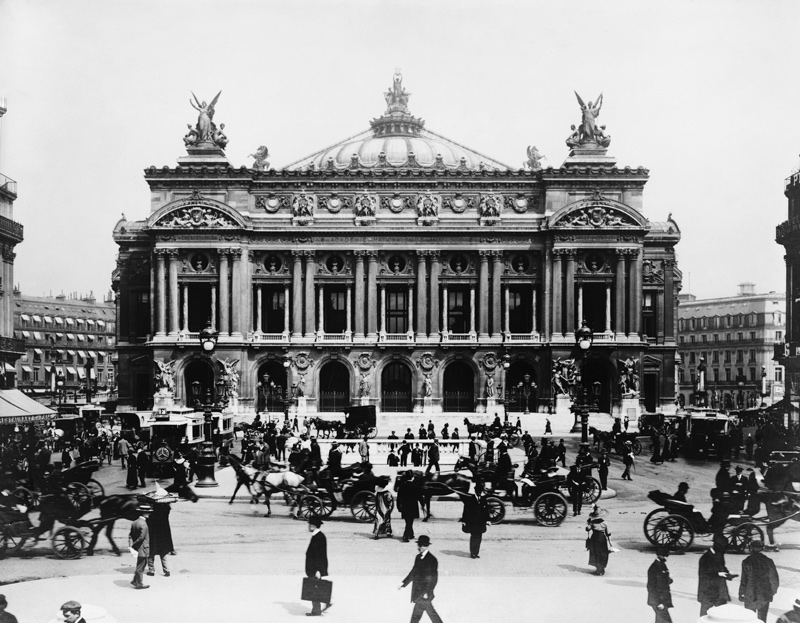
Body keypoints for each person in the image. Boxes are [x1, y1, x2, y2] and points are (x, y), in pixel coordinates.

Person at [399, 535, 443, 623]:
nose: (419, 547)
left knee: (424, 614)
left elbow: (433, 578)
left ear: (426, 546)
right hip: (419, 591)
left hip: (424, 592)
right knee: (423, 613)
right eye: (419, 545)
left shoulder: (432, 560)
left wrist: (427, 591)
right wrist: (403, 584)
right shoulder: (418, 557)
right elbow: (413, 572)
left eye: (422, 545)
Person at [738, 540, 779, 621]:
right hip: (764, 594)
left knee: (749, 619)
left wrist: (741, 593)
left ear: (751, 548)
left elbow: (744, 580)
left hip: (750, 594)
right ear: (762, 548)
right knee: (762, 619)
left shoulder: (746, 561)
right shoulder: (769, 561)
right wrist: (771, 592)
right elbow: (774, 579)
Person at [698, 534, 733, 616]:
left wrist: (728, 573)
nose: (724, 549)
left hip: (719, 591)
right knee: (705, 616)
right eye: (723, 547)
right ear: (717, 546)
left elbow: (722, 567)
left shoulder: (719, 555)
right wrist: (718, 574)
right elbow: (704, 574)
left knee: (722, 616)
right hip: (708, 592)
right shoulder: (705, 558)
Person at [304, 516, 330, 616]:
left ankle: (316, 611)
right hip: (313, 568)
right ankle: (324, 603)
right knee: (315, 587)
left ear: (313, 526)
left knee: (314, 588)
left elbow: (320, 555)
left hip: (315, 568)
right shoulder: (317, 536)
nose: (308, 526)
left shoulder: (319, 537)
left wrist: (318, 570)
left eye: (309, 524)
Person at [459, 481, 489, 559]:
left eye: (480, 491)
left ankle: (476, 553)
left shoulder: (483, 499)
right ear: (475, 490)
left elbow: (486, 511)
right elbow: (466, 510)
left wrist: (488, 520)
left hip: (481, 522)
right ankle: (472, 553)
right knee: (474, 537)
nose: (479, 492)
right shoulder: (470, 499)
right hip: (473, 522)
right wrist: (464, 520)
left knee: (479, 538)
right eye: (478, 490)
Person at [146, 495, 174, 577]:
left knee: (151, 553)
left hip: (153, 535)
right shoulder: (166, 511)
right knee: (163, 554)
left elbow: (148, 521)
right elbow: (168, 507)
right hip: (163, 536)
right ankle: (167, 570)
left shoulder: (152, 512)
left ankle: (151, 570)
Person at [128, 503, 152, 589]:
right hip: (143, 548)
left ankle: (135, 581)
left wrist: (131, 545)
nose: (149, 514)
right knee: (141, 566)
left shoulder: (134, 522)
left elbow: (130, 535)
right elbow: (142, 537)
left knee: (139, 564)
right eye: (148, 513)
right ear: (144, 513)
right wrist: (135, 544)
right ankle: (139, 584)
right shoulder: (144, 524)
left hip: (138, 548)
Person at [647, 549, 674, 623]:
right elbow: (651, 587)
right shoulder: (654, 567)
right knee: (666, 620)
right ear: (659, 555)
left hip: (663, 599)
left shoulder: (662, 564)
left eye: (666, 556)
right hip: (658, 600)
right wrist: (658, 602)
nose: (666, 558)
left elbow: (663, 580)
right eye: (664, 556)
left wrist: (669, 580)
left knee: (661, 620)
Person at [397, 471, 422, 543]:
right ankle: (405, 536)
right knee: (409, 522)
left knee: (408, 521)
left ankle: (411, 534)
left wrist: (398, 507)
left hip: (405, 506)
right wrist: (422, 504)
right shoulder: (415, 486)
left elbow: (399, 497)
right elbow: (419, 496)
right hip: (413, 507)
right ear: (412, 478)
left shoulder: (402, 486)